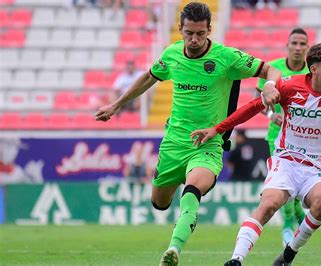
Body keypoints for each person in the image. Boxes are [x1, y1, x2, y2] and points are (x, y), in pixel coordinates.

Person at [95, 2, 280, 266]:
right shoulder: (171, 54)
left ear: (209, 31)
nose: (194, 40)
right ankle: (183, 217)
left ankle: (174, 249)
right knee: (159, 202)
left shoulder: (225, 57)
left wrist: (270, 86)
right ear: (180, 29)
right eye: (189, 33)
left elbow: (270, 69)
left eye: (200, 34)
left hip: (208, 143)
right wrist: (116, 104)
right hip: (173, 143)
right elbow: (148, 77)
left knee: (193, 189)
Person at [190, 41, 321, 266]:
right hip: (286, 160)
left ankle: (289, 253)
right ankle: (236, 260)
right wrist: (217, 129)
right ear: (313, 69)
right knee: (269, 204)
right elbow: (252, 108)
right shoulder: (289, 86)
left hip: (318, 167)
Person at [256, 27, 309, 247]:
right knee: (284, 185)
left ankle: (299, 221)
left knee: (297, 191)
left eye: (302, 44)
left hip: (305, 139)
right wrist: (271, 115)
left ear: (307, 48)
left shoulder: (312, 71)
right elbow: (258, 103)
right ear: (287, 45)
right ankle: (288, 225)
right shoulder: (274, 69)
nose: (297, 47)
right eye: (294, 43)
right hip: (277, 138)